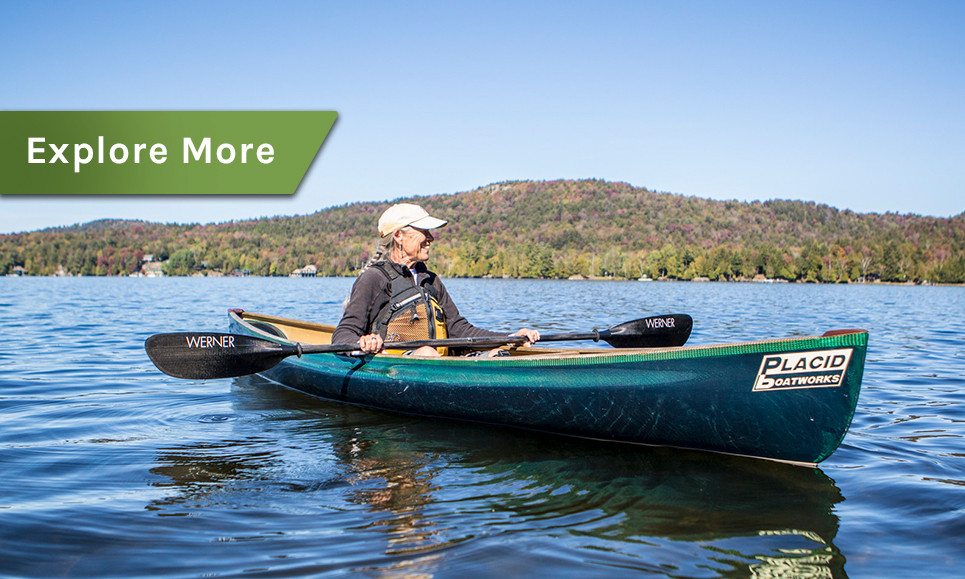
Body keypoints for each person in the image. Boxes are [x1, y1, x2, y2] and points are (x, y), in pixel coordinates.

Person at [332, 203, 540, 356]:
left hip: (437, 364)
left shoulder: (430, 280)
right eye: (424, 231)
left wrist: (509, 339)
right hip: (397, 367)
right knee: (426, 352)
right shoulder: (374, 278)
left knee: (498, 355)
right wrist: (363, 342)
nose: (431, 238)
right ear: (398, 236)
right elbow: (343, 334)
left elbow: (460, 330)